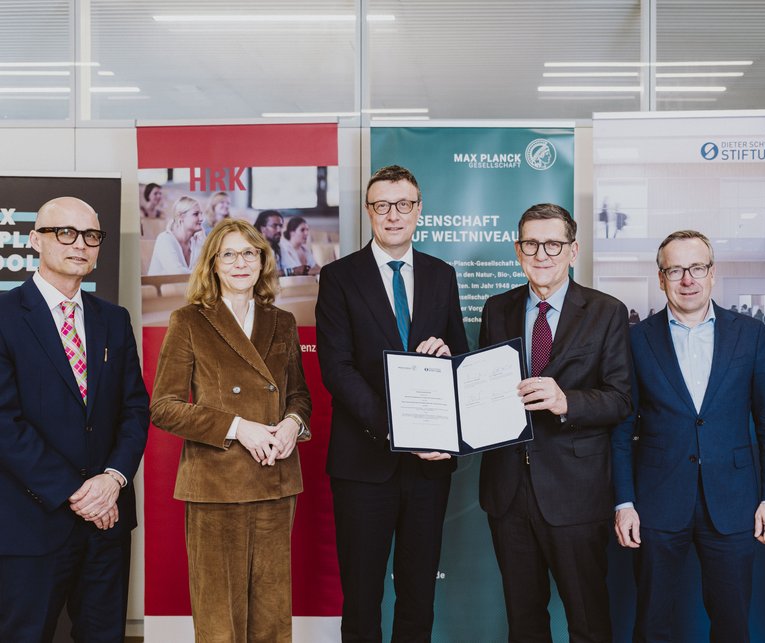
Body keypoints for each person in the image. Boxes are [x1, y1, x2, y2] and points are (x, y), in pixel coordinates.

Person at [612, 229, 765, 643]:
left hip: (733, 501)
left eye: (697, 268)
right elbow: (620, 428)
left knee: (732, 624)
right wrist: (624, 502)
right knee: (651, 622)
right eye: (675, 270)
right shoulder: (635, 339)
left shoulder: (750, 333)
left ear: (713, 273)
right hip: (656, 502)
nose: (687, 279)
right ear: (661, 278)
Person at [315, 165, 467, 642]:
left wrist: (447, 355)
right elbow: (337, 369)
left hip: (429, 468)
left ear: (419, 210)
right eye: (382, 205)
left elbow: (460, 357)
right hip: (363, 463)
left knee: (418, 595)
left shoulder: (442, 275)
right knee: (362, 598)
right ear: (369, 211)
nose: (393, 215)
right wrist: (398, 430)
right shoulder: (339, 277)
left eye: (403, 204)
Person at [150, 218, 312, 642]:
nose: (240, 263)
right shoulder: (189, 320)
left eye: (249, 253)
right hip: (215, 485)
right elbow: (164, 408)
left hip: (275, 481)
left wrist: (293, 425)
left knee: (272, 618)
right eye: (229, 254)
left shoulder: (282, 321)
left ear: (262, 260)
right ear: (213, 264)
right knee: (219, 620)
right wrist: (238, 427)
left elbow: (299, 396)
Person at [479, 203, 633, 642]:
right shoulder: (497, 308)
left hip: (576, 492)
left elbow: (621, 399)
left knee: (588, 620)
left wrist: (567, 401)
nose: (541, 254)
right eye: (531, 244)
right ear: (518, 250)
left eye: (553, 244)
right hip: (508, 492)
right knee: (524, 621)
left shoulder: (606, 311)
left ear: (573, 250)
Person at [0, 197, 149, 642]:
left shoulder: (113, 319)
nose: (80, 244)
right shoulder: (5, 316)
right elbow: (5, 423)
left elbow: (134, 408)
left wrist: (113, 479)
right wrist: (77, 492)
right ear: (34, 239)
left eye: (91, 235)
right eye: (65, 232)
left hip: (107, 522)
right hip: (31, 523)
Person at [147, 195, 205, 275]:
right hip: (163, 284)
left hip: (184, 283)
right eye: (196, 214)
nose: (201, 218)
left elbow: (207, 269)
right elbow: (177, 273)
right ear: (181, 216)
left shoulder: (197, 241)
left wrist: (204, 241)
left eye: (201, 214)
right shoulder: (164, 239)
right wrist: (202, 274)